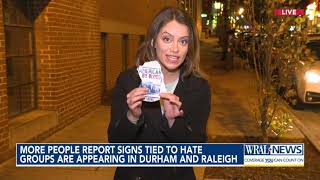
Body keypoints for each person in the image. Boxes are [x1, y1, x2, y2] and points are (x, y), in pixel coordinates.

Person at [108, 7, 211, 180]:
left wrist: (173, 122)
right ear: (153, 41)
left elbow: (197, 148)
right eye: (167, 39)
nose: (175, 49)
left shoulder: (199, 87)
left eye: (183, 41)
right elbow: (115, 141)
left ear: (189, 47)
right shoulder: (129, 80)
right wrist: (132, 117)